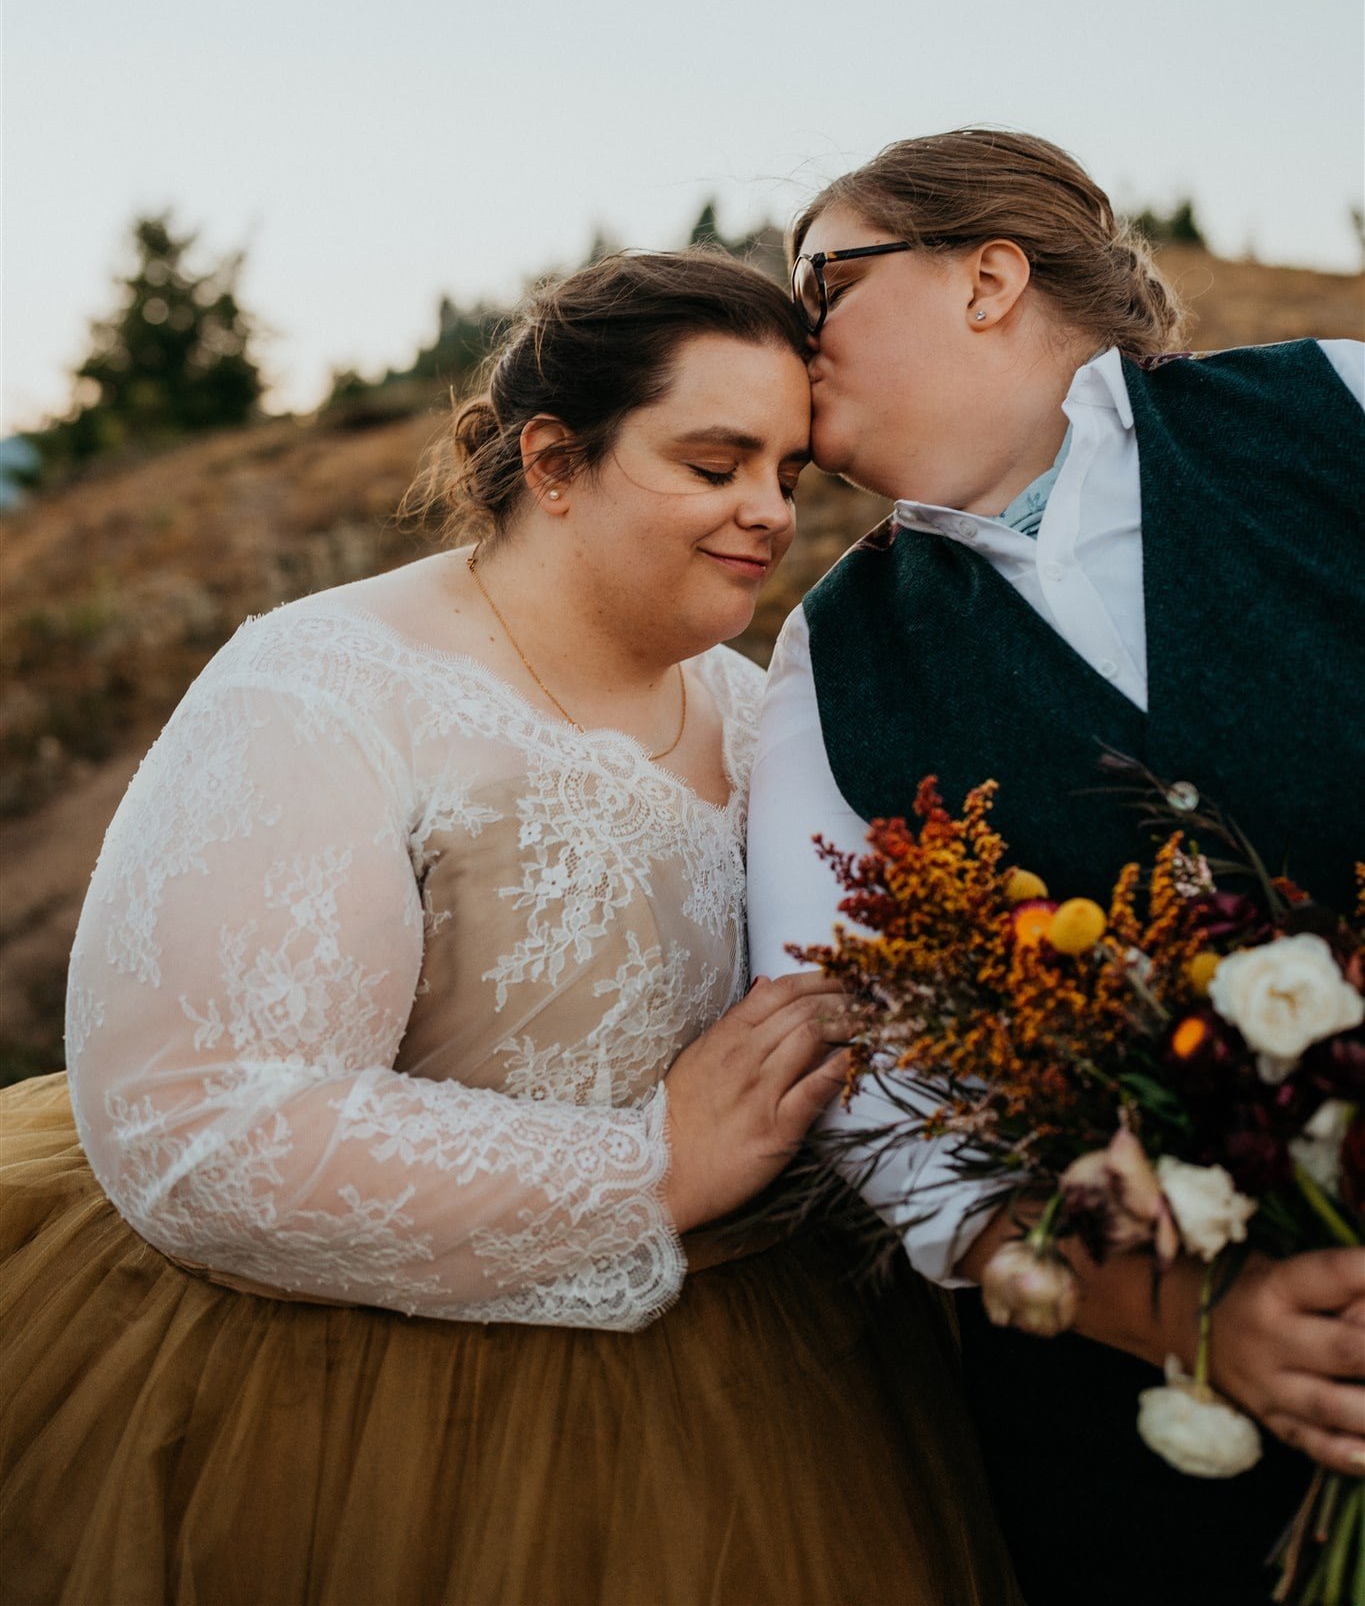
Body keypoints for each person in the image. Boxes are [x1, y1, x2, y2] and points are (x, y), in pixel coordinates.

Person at [0, 250, 1020, 1606]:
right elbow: (206, 1120)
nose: (768, 514)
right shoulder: (326, 687)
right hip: (368, 1414)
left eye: (788, 473)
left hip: (774, 1379)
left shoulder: (762, 709)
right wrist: (649, 1167)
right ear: (553, 459)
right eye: (714, 464)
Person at [746, 128, 1365, 1606]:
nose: (789, 330)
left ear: (987, 277)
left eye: (820, 279)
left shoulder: (1336, 404)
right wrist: (1178, 1316)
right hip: (1162, 1455)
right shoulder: (830, 658)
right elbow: (866, 1072)